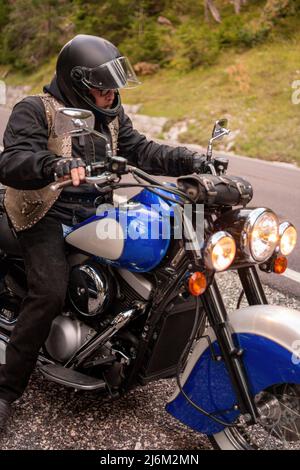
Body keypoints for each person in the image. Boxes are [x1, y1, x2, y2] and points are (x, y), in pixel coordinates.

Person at [0, 34, 206, 431]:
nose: (110, 96)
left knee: (157, 254)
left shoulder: (110, 114)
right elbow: (13, 160)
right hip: (43, 212)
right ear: (76, 82)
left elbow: (142, 150)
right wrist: (52, 166)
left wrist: (191, 159)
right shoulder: (36, 109)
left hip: (94, 209)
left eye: (113, 89)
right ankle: (6, 390)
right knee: (49, 291)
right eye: (102, 89)